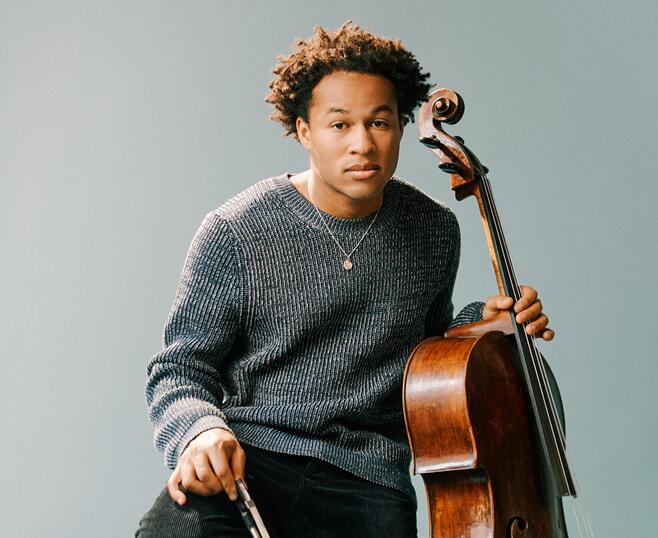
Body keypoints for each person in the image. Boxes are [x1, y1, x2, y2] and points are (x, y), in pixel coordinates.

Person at [135, 22, 554, 538]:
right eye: (340, 125)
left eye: (380, 123)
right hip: (254, 460)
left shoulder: (434, 229)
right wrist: (199, 432)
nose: (363, 144)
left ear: (401, 127)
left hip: (369, 483)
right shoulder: (237, 230)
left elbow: (423, 354)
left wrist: (482, 326)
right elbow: (179, 368)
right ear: (305, 131)